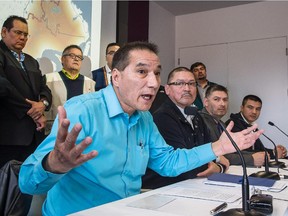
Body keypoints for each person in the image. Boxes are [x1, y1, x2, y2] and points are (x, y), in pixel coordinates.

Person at [19, 41, 262, 215]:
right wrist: (52, 165)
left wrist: (219, 146)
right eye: (142, 72)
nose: (154, 82)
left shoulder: (144, 118)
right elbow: (27, 182)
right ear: (116, 77)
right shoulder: (81, 110)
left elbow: (167, 163)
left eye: (157, 73)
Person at [142, 67, 229, 189]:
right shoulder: (163, 117)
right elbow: (183, 165)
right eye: (180, 84)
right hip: (162, 189)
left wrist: (216, 163)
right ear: (167, 89)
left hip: (191, 184)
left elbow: (207, 152)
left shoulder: (197, 116)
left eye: (191, 84)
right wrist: (220, 167)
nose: (187, 89)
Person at [0, 15, 52, 168]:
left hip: (34, 135)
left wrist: (43, 104)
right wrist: (33, 110)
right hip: (8, 135)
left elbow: (44, 88)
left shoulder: (31, 61)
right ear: (4, 32)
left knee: (27, 185)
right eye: (17, 32)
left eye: (25, 34)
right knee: (5, 186)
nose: (22, 37)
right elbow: (3, 87)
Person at [44, 45, 95, 134]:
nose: (76, 59)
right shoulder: (48, 79)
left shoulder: (89, 82)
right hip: (54, 131)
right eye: (72, 55)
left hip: (81, 131)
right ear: (62, 59)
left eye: (79, 57)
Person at [225, 94, 287, 166]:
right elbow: (241, 151)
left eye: (258, 109)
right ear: (242, 108)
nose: (254, 112)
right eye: (250, 107)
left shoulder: (251, 124)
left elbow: (259, 149)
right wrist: (273, 154)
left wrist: (275, 151)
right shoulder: (233, 124)